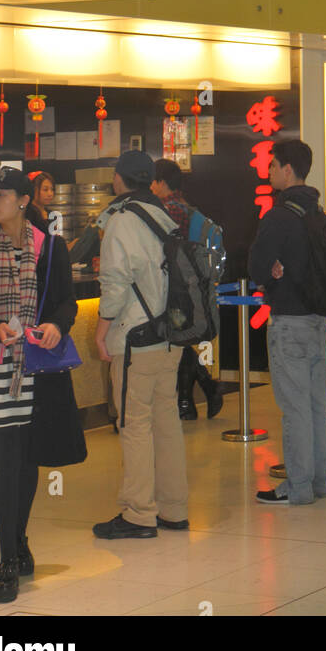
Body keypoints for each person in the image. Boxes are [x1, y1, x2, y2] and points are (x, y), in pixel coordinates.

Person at [0, 167, 86, 603]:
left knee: (28, 460)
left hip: (37, 367)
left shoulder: (49, 247)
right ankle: (7, 559)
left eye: (2, 195)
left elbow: (66, 300)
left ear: (22, 201)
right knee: (7, 460)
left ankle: (20, 537)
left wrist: (55, 324)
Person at [93, 150, 189, 539]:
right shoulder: (163, 216)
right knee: (166, 423)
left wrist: (101, 331)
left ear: (119, 179)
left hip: (136, 338)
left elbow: (115, 284)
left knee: (134, 425)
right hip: (171, 337)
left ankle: (138, 513)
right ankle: (173, 508)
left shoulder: (122, 220)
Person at [249, 139, 326, 506]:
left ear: (286, 170)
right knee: (316, 406)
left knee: (295, 409)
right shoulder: (320, 214)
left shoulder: (279, 216)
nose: (268, 173)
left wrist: (272, 271)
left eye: (272, 166)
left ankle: (297, 487)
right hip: (318, 322)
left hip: (288, 324)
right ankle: (320, 483)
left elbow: (255, 268)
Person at [151, 157, 222, 422]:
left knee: (176, 341)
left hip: (176, 289)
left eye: (153, 181)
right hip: (187, 287)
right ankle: (191, 399)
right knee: (178, 341)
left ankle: (197, 393)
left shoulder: (169, 209)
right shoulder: (185, 208)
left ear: (160, 183)